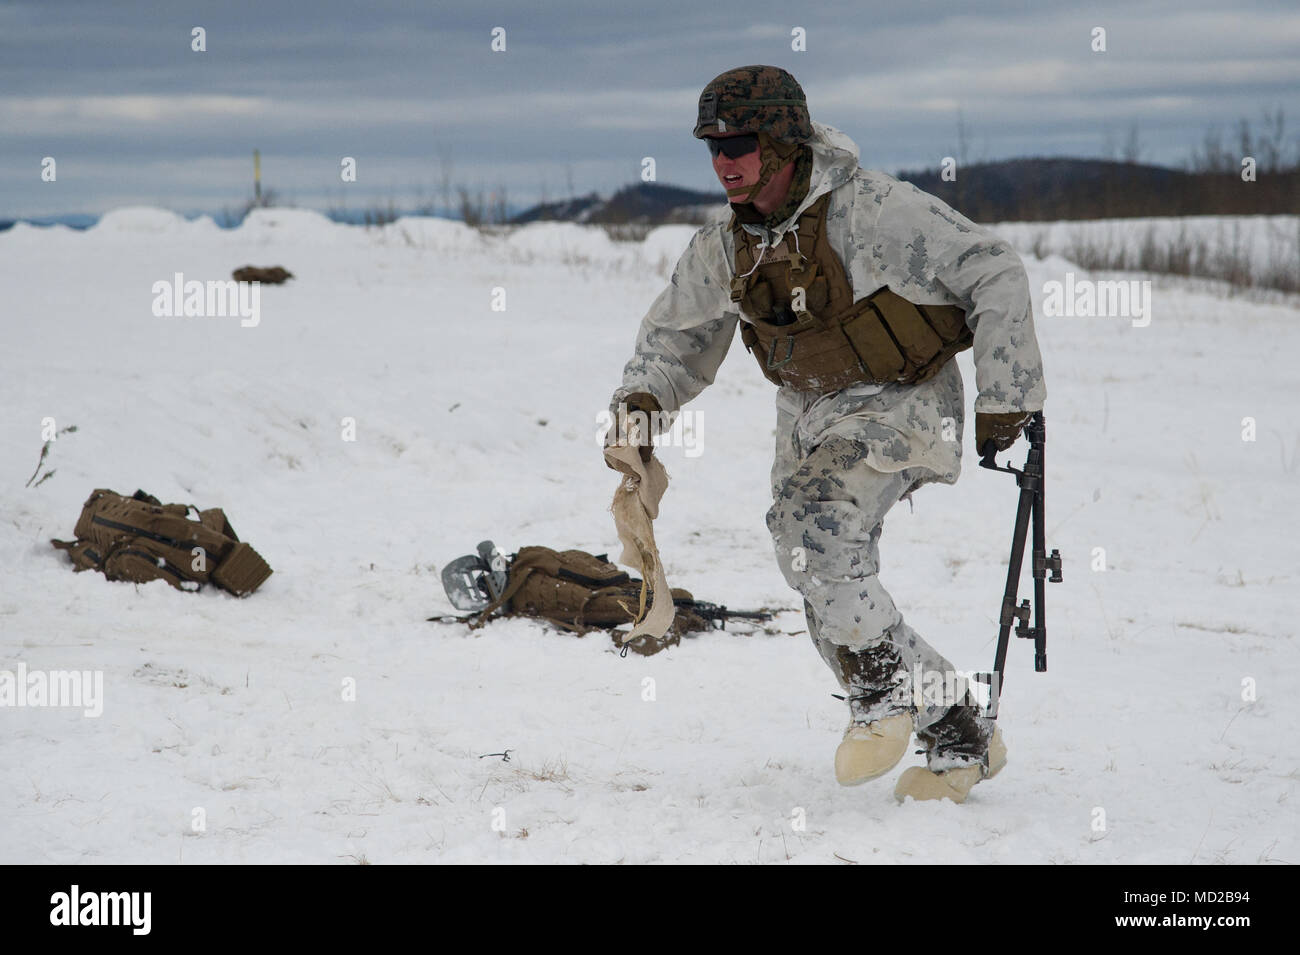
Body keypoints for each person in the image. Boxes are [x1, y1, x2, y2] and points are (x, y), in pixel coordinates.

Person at [604, 65, 1046, 803]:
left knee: (811, 530)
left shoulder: (873, 213)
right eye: (711, 146)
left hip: (902, 402)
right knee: (819, 580)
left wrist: (1009, 396)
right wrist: (638, 410)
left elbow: (994, 267)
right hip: (808, 411)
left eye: (739, 141)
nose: (723, 162)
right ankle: (958, 725)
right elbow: (674, 342)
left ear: (782, 141)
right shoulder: (726, 246)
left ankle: (879, 698)